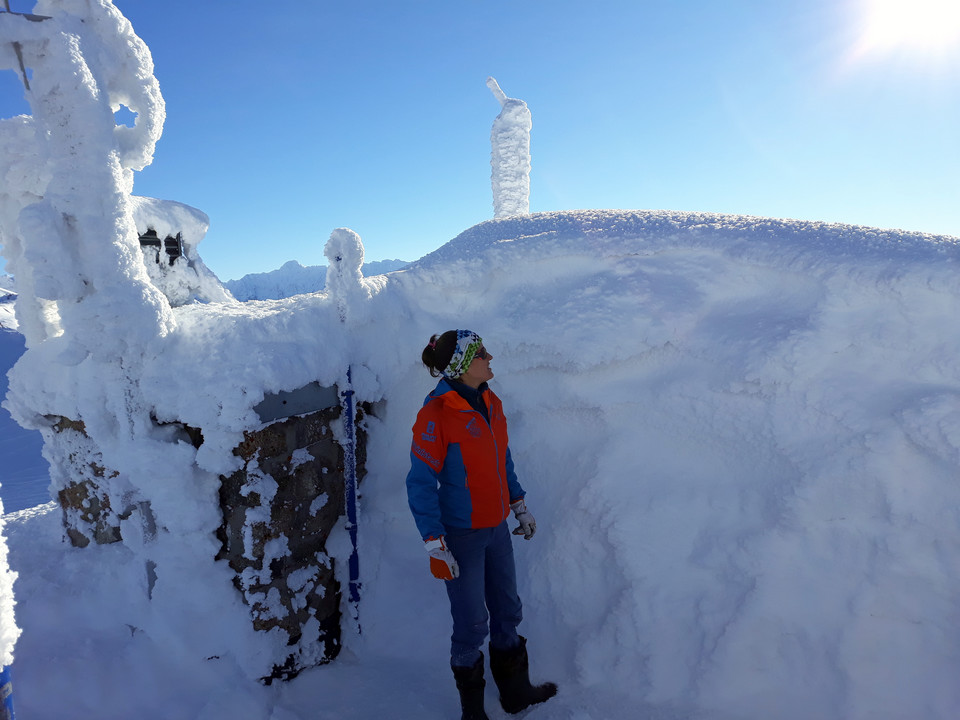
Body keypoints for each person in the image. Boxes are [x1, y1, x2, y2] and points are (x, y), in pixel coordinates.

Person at [406, 329, 557, 720]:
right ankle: (473, 713)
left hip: (497, 528)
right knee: (472, 624)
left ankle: (516, 694)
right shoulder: (436, 414)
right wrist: (434, 543)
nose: (490, 358)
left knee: (508, 610)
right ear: (461, 365)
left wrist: (517, 503)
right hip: (462, 535)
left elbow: (500, 459)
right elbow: (420, 482)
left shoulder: (491, 401)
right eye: (482, 353)